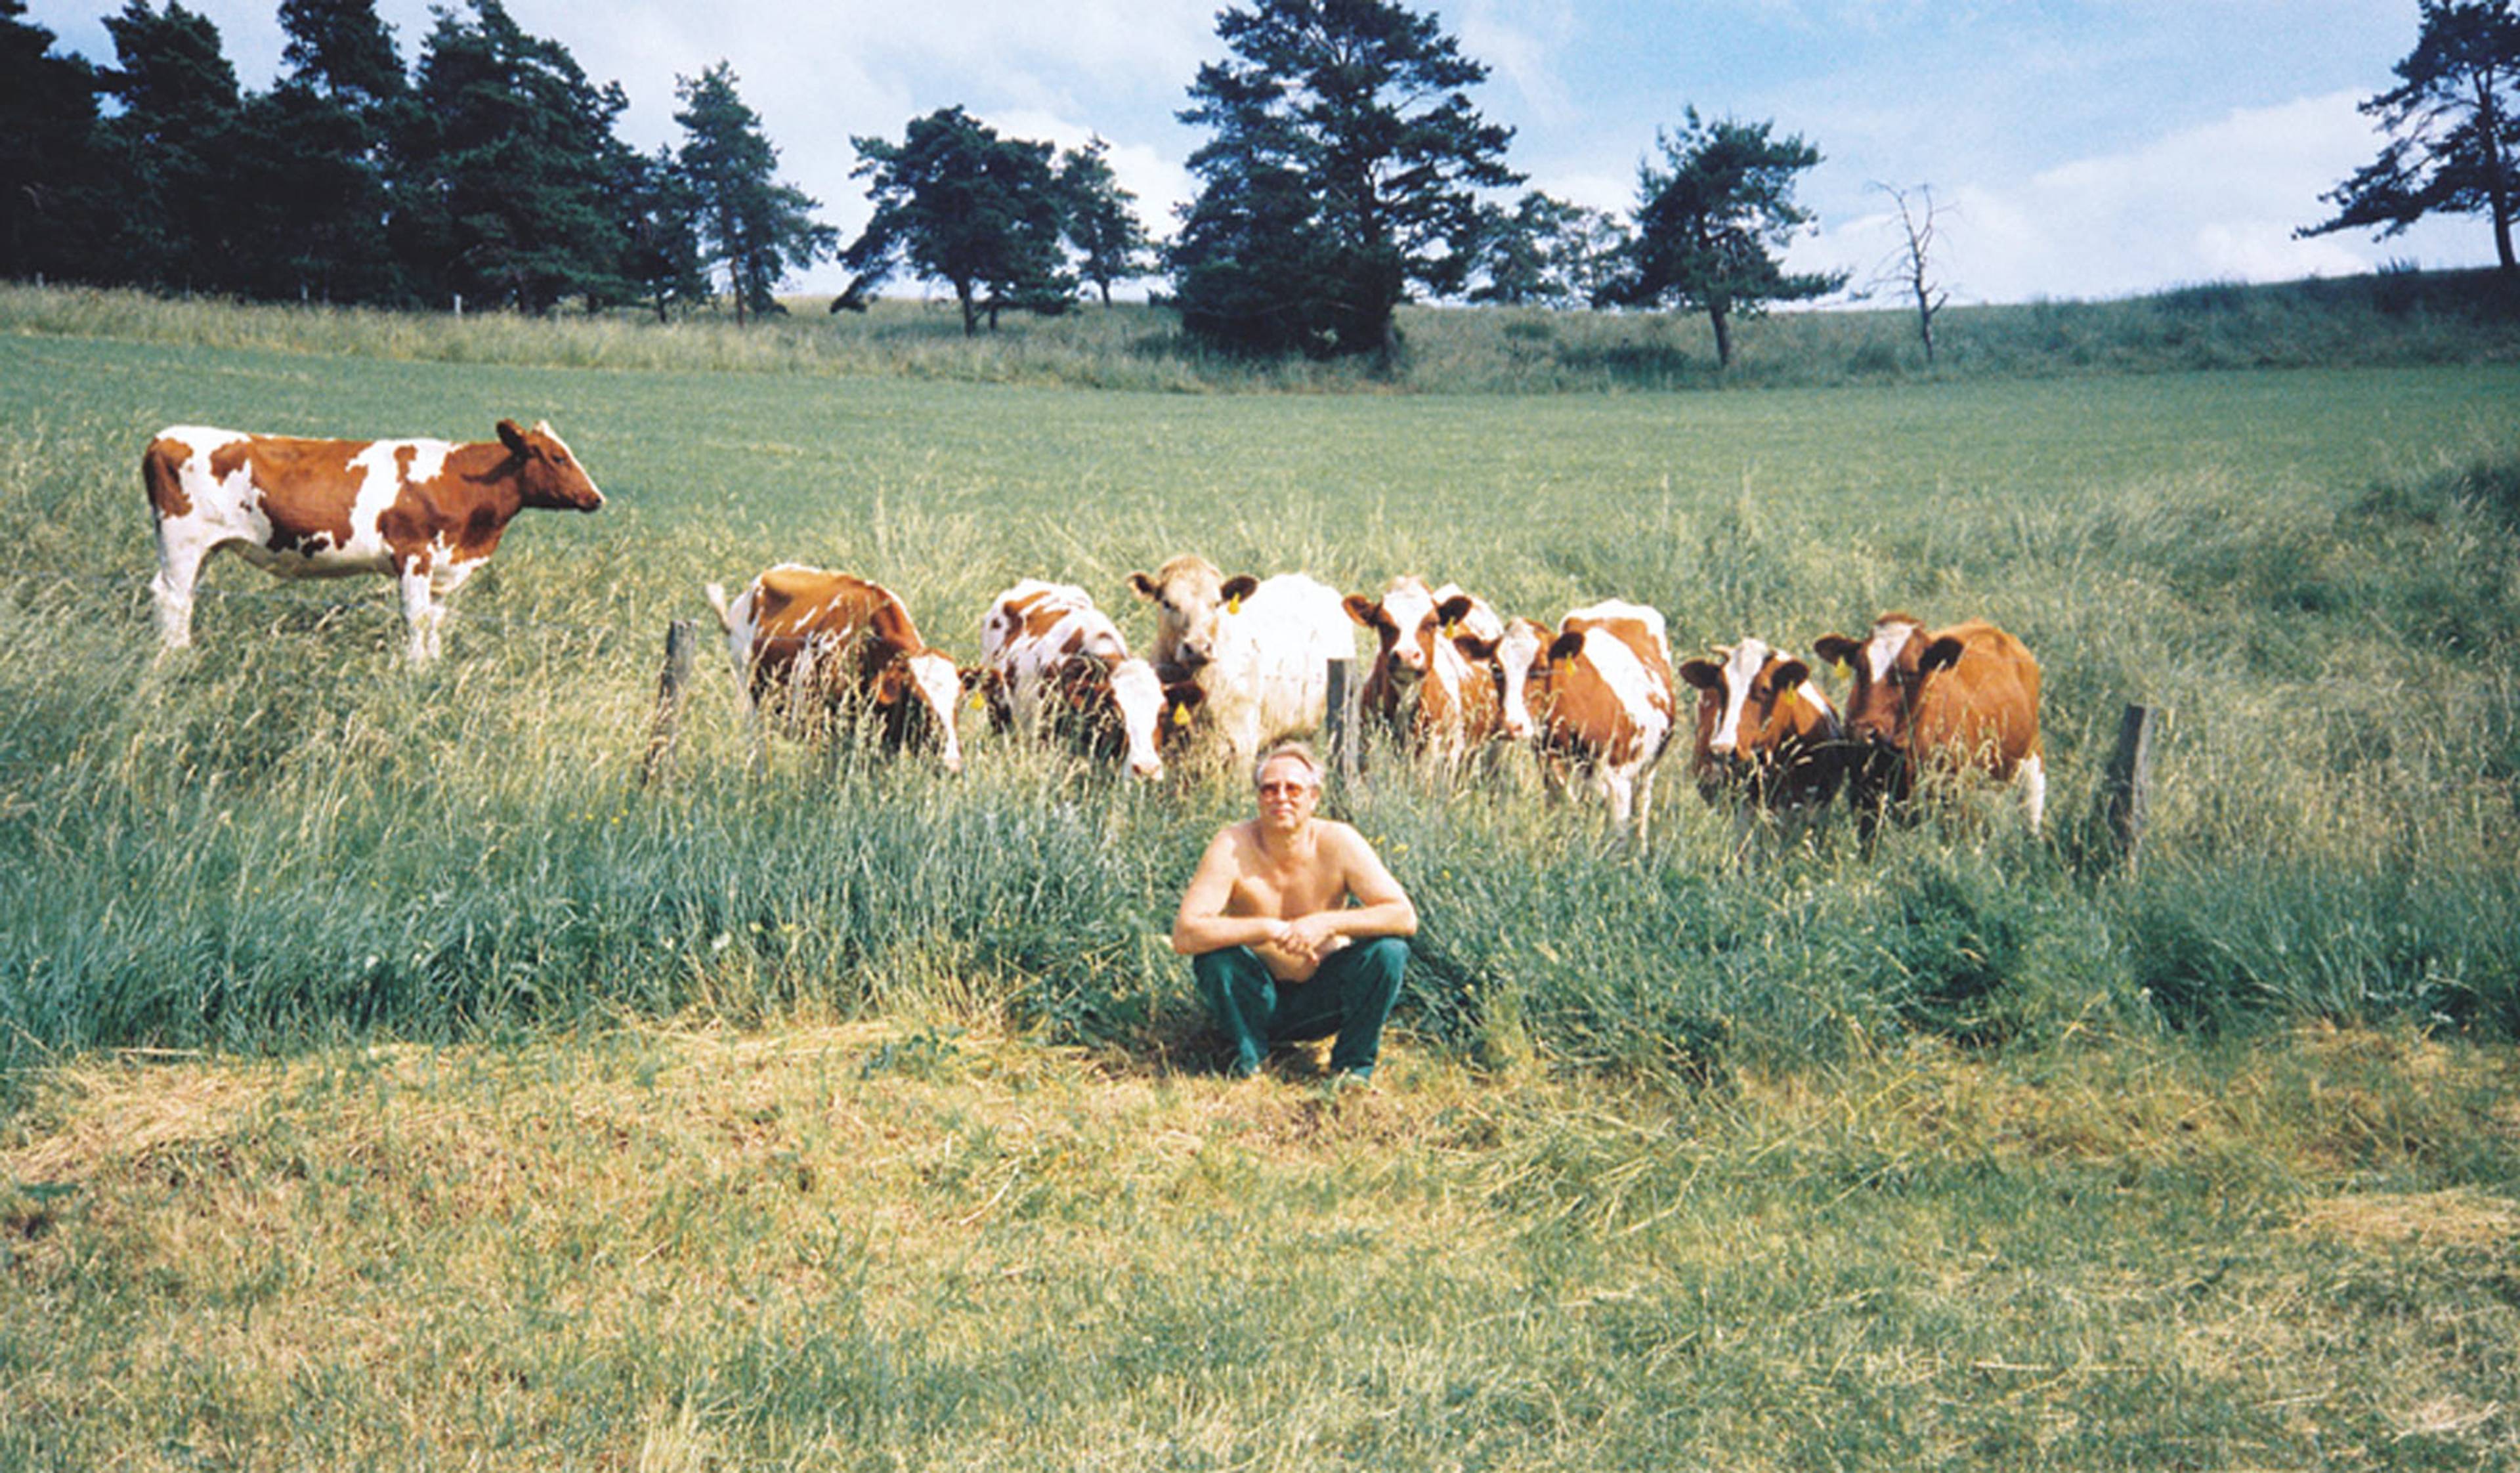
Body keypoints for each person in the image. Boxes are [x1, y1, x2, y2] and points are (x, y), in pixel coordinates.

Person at [1169, 740, 1418, 1085]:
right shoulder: (1231, 844)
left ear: (1313, 798)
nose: (1280, 797)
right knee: (1215, 959)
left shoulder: (1339, 841)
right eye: (1269, 789)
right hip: (1256, 999)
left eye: (1293, 789)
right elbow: (1185, 935)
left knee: (1389, 952)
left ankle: (1351, 1072)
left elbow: (1403, 917)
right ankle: (1248, 1063)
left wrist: (1325, 922)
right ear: (1258, 798)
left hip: (1322, 999)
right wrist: (1270, 929)